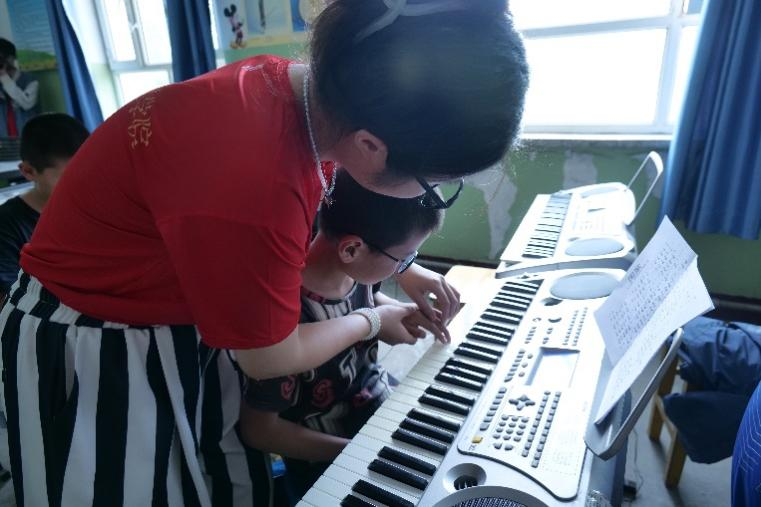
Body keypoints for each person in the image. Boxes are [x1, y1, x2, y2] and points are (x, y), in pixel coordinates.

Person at [0, 0, 529, 505]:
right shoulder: (255, 179)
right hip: (95, 336)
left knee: (210, 475)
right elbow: (269, 356)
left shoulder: (305, 96)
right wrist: (371, 319)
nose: (429, 196)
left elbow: (319, 210)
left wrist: (402, 264)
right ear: (370, 146)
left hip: (164, 311)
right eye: (433, 184)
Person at [240, 170, 444, 498]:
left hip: (373, 404)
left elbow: (366, 302)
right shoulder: (284, 319)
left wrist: (398, 313)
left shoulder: (353, 273)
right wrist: (357, 453)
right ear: (351, 250)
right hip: (328, 453)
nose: (404, 269)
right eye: (404, 258)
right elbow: (260, 430)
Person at [0, 113, 89, 295]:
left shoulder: (95, 207)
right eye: (67, 178)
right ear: (28, 171)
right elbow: (11, 298)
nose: (83, 184)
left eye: (88, 171)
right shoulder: (7, 225)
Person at [0, 38, 40, 138]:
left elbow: (27, 104)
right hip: (4, 139)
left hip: (28, 136)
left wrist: (5, 77)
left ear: (12, 58)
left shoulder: (30, 80)